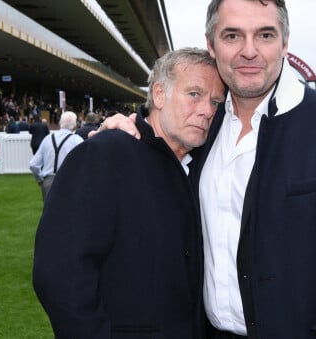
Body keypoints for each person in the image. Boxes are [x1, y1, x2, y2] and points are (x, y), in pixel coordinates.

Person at [101, 0, 316, 338]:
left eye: (265, 35)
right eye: (232, 36)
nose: (249, 51)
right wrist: (127, 126)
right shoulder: (200, 126)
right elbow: (155, 132)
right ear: (211, 45)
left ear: (285, 43)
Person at [32, 48, 225, 338]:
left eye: (215, 101)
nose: (207, 110)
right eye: (194, 94)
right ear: (159, 94)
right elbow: (60, 275)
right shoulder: (104, 155)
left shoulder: (204, 165)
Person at [29, 111, 82, 201]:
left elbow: (33, 164)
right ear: (74, 125)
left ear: (59, 123)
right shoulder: (77, 140)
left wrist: (40, 180)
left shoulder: (47, 139)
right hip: (70, 180)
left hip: (49, 182)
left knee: (50, 213)